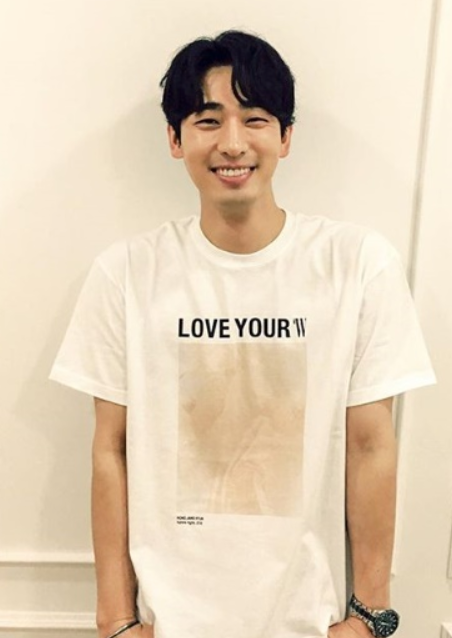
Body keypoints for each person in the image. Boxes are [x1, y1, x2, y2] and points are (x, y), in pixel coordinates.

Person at [49, 30, 436, 638]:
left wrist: (369, 617)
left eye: (255, 119)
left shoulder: (358, 265)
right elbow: (110, 450)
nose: (233, 143)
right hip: (170, 623)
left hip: (309, 621)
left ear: (285, 136)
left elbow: (370, 446)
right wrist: (114, 621)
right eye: (208, 120)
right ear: (175, 139)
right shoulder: (125, 274)